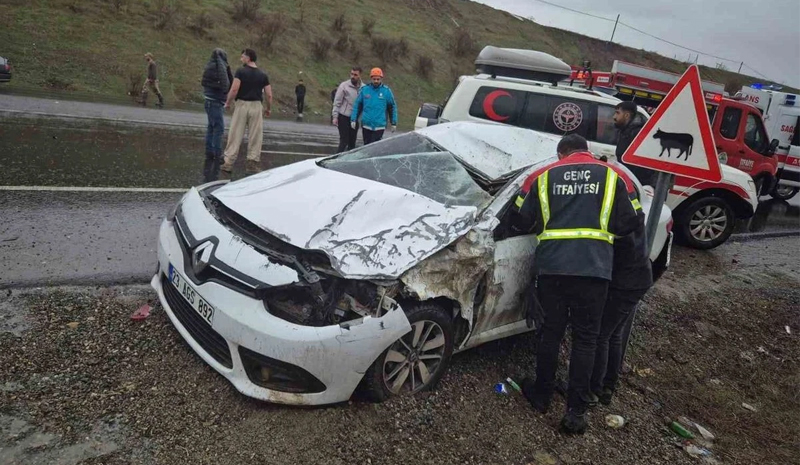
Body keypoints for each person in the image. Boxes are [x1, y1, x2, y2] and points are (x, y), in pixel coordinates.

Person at [514, 134, 642, 435]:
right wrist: (603, 234)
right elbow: (633, 219)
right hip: (594, 270)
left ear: (561, 153)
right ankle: (575, 413)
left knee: (550, 333)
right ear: (588, 151)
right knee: (586, 340)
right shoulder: (613, 176)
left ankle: (542, 395)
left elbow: (520, 216)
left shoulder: (543, 176)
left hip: (553, 268)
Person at [589, 169, 652, 406]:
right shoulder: (629, 209)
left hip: (626, 282)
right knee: (614, 333)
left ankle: (593, 389)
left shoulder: (618, 219)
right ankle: (608, 386)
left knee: (601, 335)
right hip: (638, 278)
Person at [220, 49, 272, 178]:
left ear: (248, 58)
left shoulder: (241, 72)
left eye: (243, 57)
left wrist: (228, 102)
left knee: (235, 133)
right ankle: (252, 163)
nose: (241, 59)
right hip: (256, 106)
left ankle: (228, 162)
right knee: (255, 135)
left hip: (242, 105)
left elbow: (234, 89)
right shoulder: (263, 75)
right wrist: (268, 108)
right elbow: (269, 95)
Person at [201, 48, 233, 183]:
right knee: (218, 128)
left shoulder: (209, 65)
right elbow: (225, 82)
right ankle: (217, 153)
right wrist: (226, 93)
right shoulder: (220, 67)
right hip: (215, 100)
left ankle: (209, 151)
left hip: (208, 99)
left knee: (211, 127)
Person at [350, 67, 397, 145]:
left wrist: (393, 123)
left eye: (378, 79)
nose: (376, 81)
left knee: (375, 146)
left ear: (381, 79)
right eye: (374, 79)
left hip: (379, 126)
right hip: (366, 125)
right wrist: (353, 119)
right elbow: (357, 105)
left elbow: (392, 107)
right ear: (371, 78)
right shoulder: (365, 90)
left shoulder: (386, 91)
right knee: (366, 146)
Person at [614, 101, 655, 186]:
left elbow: (641, 166)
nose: (614, 117)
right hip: (627, 179)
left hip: (635, 182)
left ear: (627, 115)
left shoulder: (637, 134)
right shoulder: (624, 131)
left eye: (618, 113)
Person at [332, 67, 363, 152]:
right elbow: (337, 101)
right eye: (351, 74)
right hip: (344, 116)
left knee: (352, 143)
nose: (353, 76)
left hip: (355, 118)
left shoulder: (363, 88)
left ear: (360, 75)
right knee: (344, 141)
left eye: (355, 75)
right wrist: (335, 116)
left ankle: (349, 159)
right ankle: (337, 158)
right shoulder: (344, 86)